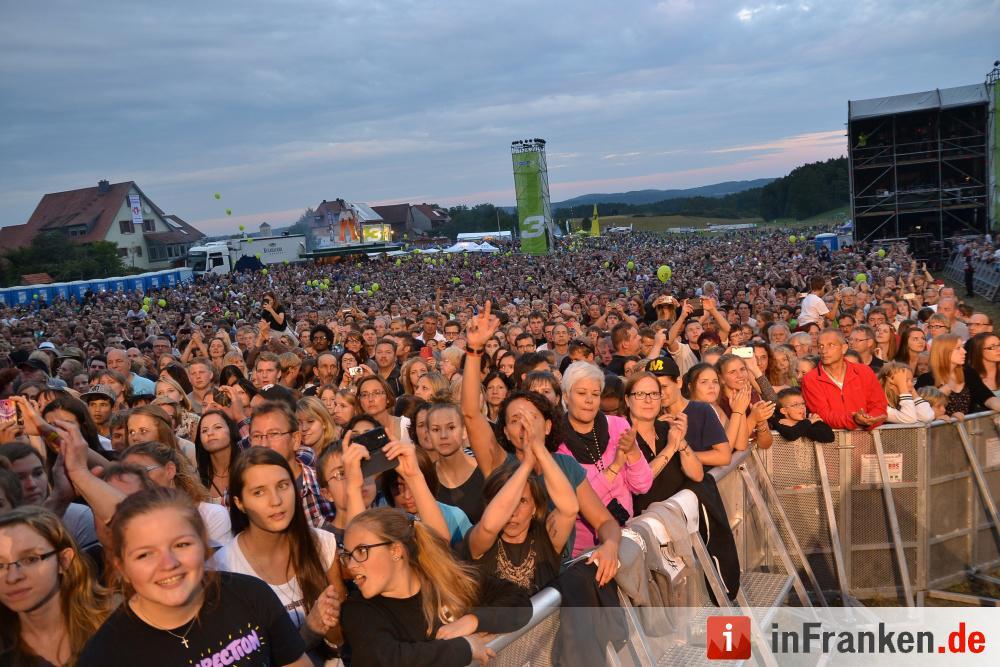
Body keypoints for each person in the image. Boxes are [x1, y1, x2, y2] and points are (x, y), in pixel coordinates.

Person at [462, 301, 621, 583]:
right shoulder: (500, 463)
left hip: (555, 585)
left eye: (532, 418)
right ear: (506, 432)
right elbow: (471, 414)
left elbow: (605, 521)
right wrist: (474, 350)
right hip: (506, 585)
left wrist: (610, 545)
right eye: (514, 420)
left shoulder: (565, 466)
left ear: (548, 426)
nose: (524, 425)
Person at [77, 488, 314, 666]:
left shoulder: (250, 595)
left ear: (204, 544)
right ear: (122, 568)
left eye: (181, 544)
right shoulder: (106, 656)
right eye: (145, 555)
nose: (168, 564)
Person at [339, 507, 531, 667]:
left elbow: (519, 601)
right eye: (347, 555)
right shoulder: (358, 610)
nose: (350, 565)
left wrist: (472, 621)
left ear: (396, 551)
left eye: (361, 551)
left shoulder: (448, 579)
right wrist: (465, 647)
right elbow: (385, 659)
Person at [210, 447, 346, 658]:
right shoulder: (223, 568)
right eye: (259, 492)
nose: (276, 500)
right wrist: (308, 633)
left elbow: (340, 639)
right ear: (239, 503)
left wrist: (330, 622)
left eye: (283, 486)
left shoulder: (322, 543)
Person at [557, 361, 653, 552]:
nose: (589, 400)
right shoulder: (556, 443)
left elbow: (642, 486)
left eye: (595, 394)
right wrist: (615, 467)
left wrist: (633, 452)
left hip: (627, 538)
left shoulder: (618, 426)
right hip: (584, 550)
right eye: (582, 393)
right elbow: (578, 504)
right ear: (566, 396)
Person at [0, 506, 113, 666]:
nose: (12, 577)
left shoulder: (115, 623)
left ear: (63, 560)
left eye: (30, 559)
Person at [119, 440, 234, 548]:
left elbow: (214, 565)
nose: (134, 480)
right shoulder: (129, 520)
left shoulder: (212, 515)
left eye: (142, 471)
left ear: (170, 470)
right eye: (127, 476)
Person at [801, 329, 888, 430]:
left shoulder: (864, 372)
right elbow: (823, 415)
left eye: (831, 345)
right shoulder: (811, 379)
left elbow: (879, 406)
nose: (824, 351)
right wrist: (853, 420)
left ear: (844, 348)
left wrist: (869, 419)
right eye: (821, 346)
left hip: (866, 438)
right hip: (831, 442)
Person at [915, 333, 1000, 416]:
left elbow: (986, 397)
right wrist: (940, 393)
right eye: (958, 348)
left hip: (969, 428)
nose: (964, 351)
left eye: (962, 347)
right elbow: (920, 411)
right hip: (941, 429)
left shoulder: (968, 373)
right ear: (944, 351)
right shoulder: (925, 380)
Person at [193, 410, 242, 505]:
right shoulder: (196, 478)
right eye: (204, 430)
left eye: (217, 427)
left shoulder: (246, 470)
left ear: (231, 431)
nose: (210, 433)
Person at [356, 375, 410, 442]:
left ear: (388, 398)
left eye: (376, 393)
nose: (370, 399)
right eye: (364, 395)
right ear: (359, 400)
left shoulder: (406, 426)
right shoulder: (356, 432)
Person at [769, 388, 835, 442]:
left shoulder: (809, 417)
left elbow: (829, 436)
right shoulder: (779, 421)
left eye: (803, 403)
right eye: (796, 405)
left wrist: (796, 423)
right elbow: (791, 434)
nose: (802, 407)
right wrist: (808, 423)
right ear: (784, 411)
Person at [966, 332, 1000, 398]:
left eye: (999, 345)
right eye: (992, 347)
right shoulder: (969, 376)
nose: (999, 349)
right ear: (978, 351)